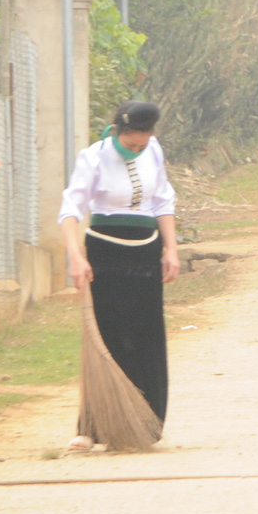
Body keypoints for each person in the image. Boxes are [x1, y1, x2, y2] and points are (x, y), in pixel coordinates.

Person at [60, 100, 181, 450]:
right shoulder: (93, 157)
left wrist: (170, 249)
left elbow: (162, 201)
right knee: (107, 337)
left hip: (145, 253)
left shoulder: (153, 151)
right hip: (105, 254)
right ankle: (92, 427)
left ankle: (145, 423)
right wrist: (75, 257)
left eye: (142, 145)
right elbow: (71, 209)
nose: (137, 150)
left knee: (146, 336)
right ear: (116, 132)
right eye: (130, 145)